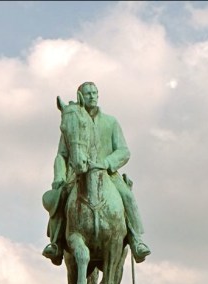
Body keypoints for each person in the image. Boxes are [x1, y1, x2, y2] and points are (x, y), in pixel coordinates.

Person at [42, 81, 150, 265]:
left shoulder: (111, 122)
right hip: (77, 175)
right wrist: (59, 178)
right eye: (88, 93)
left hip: (107, 174)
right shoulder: (72, 120)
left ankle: (136, 240)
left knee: (127, 196)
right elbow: (61, 154)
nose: (92, 96)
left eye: (95, 93)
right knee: (60, 199)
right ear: (81, 97)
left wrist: (106, 163)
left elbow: (123, 151)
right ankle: (56, 244)